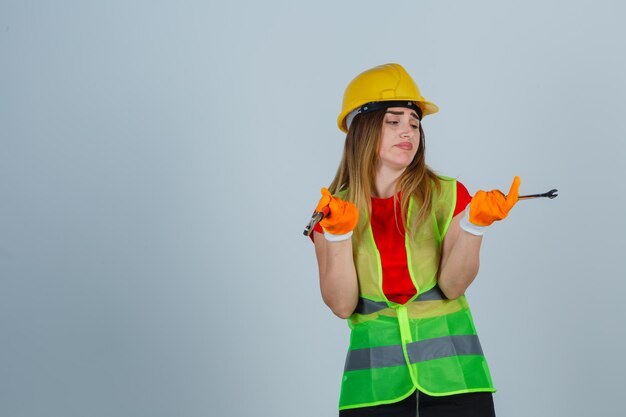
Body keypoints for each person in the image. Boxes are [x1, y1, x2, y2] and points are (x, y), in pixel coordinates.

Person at [310, 63, 520, 417]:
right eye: (393, 121)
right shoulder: (333, 211)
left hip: (455, 380)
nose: (407, 131)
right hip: (375, 389)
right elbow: (341, 305)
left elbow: (453, 285)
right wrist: (339, 235)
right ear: (362, 129)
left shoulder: (450, 195)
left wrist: (474, 226)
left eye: (414, 123)